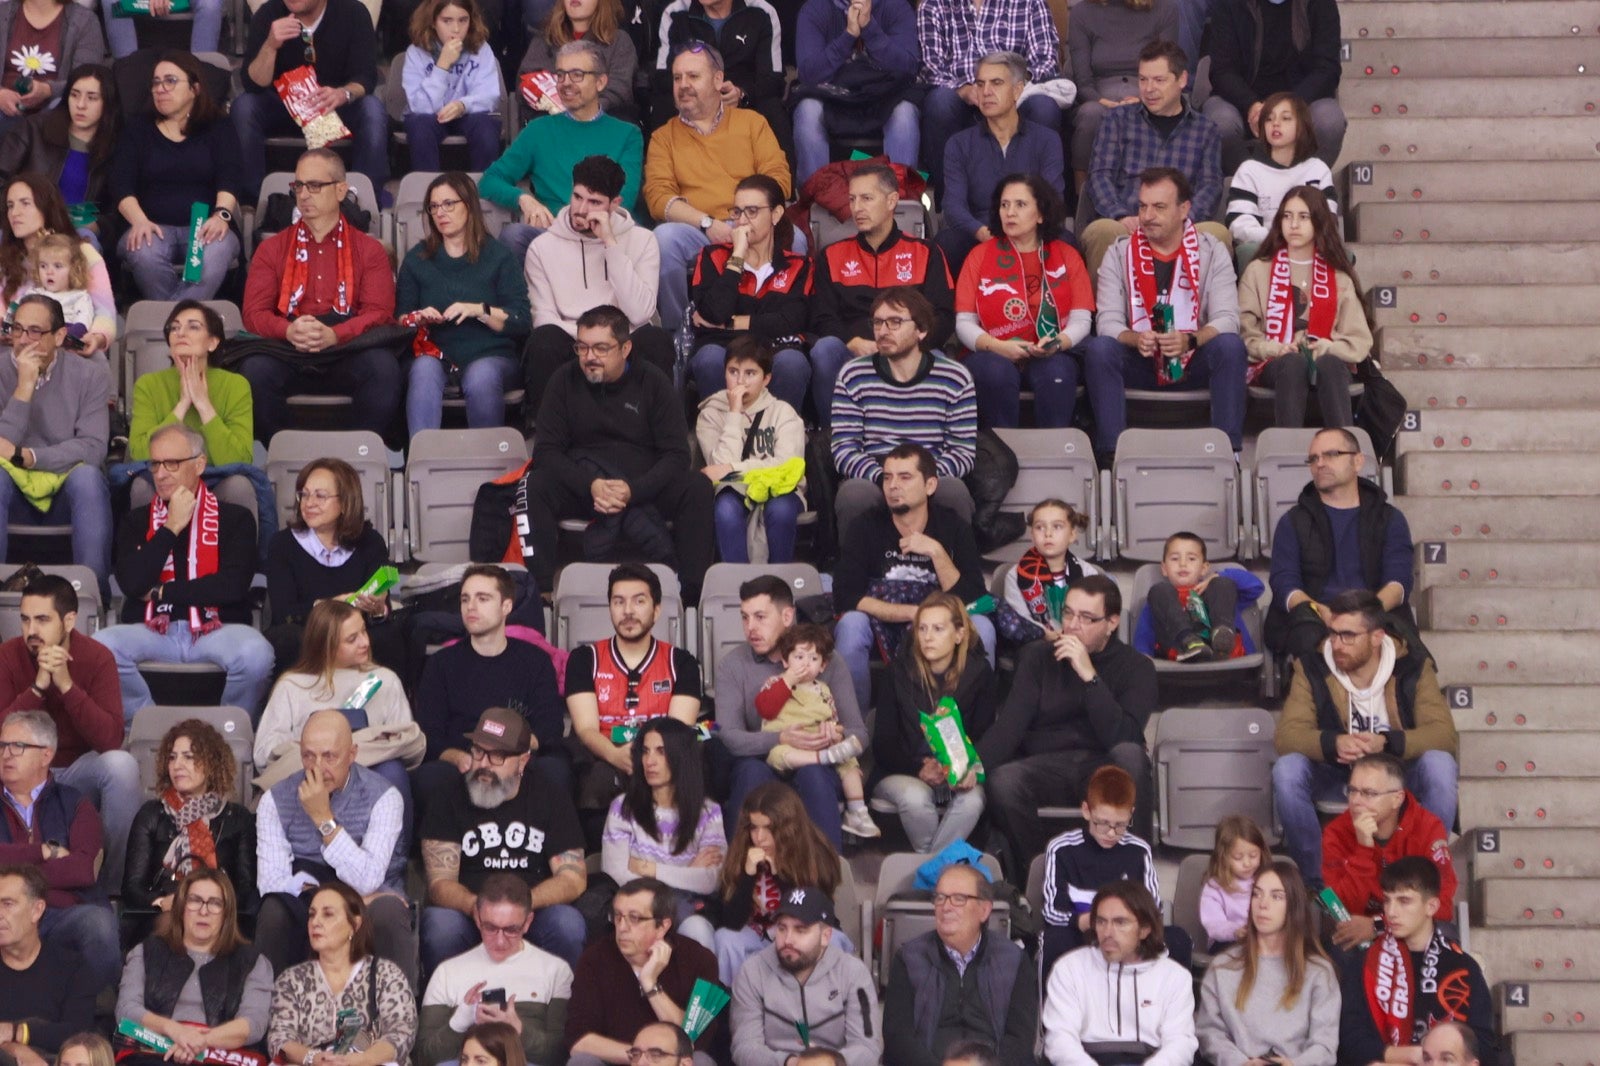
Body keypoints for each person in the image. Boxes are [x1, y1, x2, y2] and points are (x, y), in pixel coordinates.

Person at [523, 305, 716, 598]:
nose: (589, 357)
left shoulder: (652, 381)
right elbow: (547, 452)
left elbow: (677, 455)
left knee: (697, 487)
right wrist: (591, 485)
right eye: (582, 347)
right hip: (586, 487)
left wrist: (633, 491)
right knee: (534, 484)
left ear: (625, 348)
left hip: (642, 486)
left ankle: (692, 597)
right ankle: (541, 594)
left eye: (601, 348)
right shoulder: (563, 380)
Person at [1274, 590, 1459, 885]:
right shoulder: (1311, 666)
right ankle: (1318, 884)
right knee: (1287, 770)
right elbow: (1287, 736)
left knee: (1440, 765)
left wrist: (1386, 742)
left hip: (1396, 778)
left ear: (1376, 637)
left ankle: (1420, 880)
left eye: (1348, 636)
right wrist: (1333, 742)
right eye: (1333, 633)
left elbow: (1443, 734)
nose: (1336, 644)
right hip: (1338, 775)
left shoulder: (1412, 666)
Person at [96, 424, 274, 724]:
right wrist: (171, 528)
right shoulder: (136, 520)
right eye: (155, 464)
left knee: (257, 653)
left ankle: (226, 730)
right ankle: (149, 723)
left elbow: (231, 587)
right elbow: (132, 583)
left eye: (172, 463)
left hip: (218, 628)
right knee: (101, 647)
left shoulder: (236, 518)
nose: (160, 473)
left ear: (199, 464)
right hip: (152, 629)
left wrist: (162, 591)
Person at [978, 576, 1157, 869]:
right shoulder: (1037, 657)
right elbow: (1008, 728)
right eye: (1068, 613)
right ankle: (1039, 872)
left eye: (1086, 618)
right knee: (1003, 780)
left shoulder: (1137, 667)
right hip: (1046, 764)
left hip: (1102, 764)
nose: (1073, 625)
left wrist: (1090, 677)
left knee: (1132, 756)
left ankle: (1135, 872)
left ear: (1112, 623)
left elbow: (1124, 736)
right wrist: (971, 767)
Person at [1083, 165, 1248, 460]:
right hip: (1141, 360)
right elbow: (1107, 321)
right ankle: (1111, 456)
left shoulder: (1212, 251)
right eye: (1142, 206)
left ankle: (1229, 455)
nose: (1147, 216)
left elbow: (1227, 318)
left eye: (1159, 207)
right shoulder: (1119, 252)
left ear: (1184, 209)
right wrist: (1136, 339)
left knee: (1230, 346)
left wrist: (1191, 340)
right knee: (1100, 349)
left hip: (1192, 360)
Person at [237, 149, 400, 445]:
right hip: (289, 345)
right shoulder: (272, 249)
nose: (303, 195)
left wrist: (335, 335)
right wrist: (288, 330)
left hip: (347, 346)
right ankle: (288, 452)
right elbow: (253, 314)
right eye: (298, 186)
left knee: (384, 369)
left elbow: (379, 313)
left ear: (340, 190)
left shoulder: (369, 250)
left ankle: (355, 454)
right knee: (253, 372)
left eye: (314, 186)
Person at [419, 706, 589, 973]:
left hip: (532, 911)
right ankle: (446, 1001)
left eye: (497, 756)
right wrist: (476, 907)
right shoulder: (448, 796)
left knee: (567, 924)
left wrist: (521, 905)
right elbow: (440, 883)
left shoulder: (550, 796)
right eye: (478, 751)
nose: (484, 765)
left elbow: (573, 879)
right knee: (442, 926)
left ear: (523, 761)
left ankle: (561, 1001)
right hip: (470, 913)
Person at [0, 574, 138, 895]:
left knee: (122, 766)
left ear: (70, 621)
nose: (31, 631)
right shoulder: (8, 655)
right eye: (25, 620)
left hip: (75, 773)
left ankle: (112, 891)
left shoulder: (97, 657)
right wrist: (38, 688)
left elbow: (110, 739)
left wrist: (66, 686)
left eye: (42, 620)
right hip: (18, 769)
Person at [832, 443, 991, 716]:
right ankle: (852, 725)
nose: (893, 486)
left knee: (983, 626)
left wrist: (936, 552)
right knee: (851, 624)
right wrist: (914, 613)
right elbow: (846, 595)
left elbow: (973, 597)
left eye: (905, 477)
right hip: (882, 620)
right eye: (887, 477)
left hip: (940, 621)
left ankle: (968, 724)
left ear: (930, 485)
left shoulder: (953, 526)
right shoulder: (865, 526)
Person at [643, 42, 790, 332]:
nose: (683, 85)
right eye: (677, 78)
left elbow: (779, 180)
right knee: (664, 239)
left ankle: (774, 329)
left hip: (753, 225)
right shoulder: (663, 137)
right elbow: (658, 198)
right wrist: (708, 223)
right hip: (699, 231)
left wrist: (747, 220)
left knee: (794, 242)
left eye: (693, 76)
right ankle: (679, 333)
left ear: (718, 79)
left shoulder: (752, 123)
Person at [712, 576, 868, 849]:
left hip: (818, 762)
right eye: (745, 617)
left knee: (813, 773)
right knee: (751, 772)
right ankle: (740, 869)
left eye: (760, 617)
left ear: (787, 616)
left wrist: (836, 735)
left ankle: (825, 870)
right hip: (760, 761)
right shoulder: (733, 665)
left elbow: (859, 733)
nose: (751, 628)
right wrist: (780, 738)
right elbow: (730, 737)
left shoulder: (826, 661)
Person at [254, 711, 413, 980]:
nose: (317, 768)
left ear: (352, 754)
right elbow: (271, 883)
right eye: (308, 756)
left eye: (329, 757)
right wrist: (332, 901)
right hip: (309, 900)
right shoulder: (275, 800)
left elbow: (368, 879)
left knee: (388, 911)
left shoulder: (384, 797)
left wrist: (323, 818)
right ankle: (270, 1004)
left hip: (369, 901)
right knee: (273, 911)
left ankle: (396, 1006)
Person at [521, 155, 671, 411]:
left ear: (614, 204)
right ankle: (548, 431)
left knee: (655, 340)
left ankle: (649, 430)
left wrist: (611, 245)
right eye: (577, 197)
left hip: (622, 340)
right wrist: (589, 345)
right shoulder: (541, 247)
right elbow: (543, 319)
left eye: (594, 202)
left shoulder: (643, 240)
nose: (581, 209)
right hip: (571, 342)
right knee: (543, 342)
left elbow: (640, 313)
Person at [810, 166, 956, 427]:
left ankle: (922, 441)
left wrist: (907, 345)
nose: (857, 208)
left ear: (892, 201)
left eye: (867, 198)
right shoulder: (831, 255)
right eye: (852, 199)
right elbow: (822, 316)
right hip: (852, 350)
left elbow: (943, 316)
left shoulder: (926, 252)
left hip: (912, 350)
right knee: (825, 349)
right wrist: (852, 341)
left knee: (942, 362)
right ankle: (833, 436)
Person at [412, 564, 566, 804]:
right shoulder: (441, 663)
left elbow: (549, 728)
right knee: (430, 777)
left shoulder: (535, 661)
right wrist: (459, 758)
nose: (471, 606)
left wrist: (506, 757)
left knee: (555, 771)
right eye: (465, 599)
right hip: (464, 760)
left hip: (516, 757)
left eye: (482, 599)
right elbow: (429, 733)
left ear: (506, 606)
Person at [829, 288, 976, 531]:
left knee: (953, 491)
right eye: (878, 322)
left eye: (895, 322)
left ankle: (952, 557)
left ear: (921, 330)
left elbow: (962, 451)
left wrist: (920, 480)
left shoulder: (954, 377)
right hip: (874, 472)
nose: (883, 331)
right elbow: (844, 449)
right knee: (854, 495)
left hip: (931, 470)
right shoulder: (853, 374)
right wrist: (886, 479)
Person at [398, 171, 531, 435]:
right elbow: (400, 319)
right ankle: (422, 455)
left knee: (482, 375)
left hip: (492, 355)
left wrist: (478, 310)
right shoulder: (417, 259)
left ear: (469, 206)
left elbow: (521, 321)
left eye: (449, 204)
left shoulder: (499, 257)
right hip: (436, 353)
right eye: (434, 206)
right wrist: (418, 317)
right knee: (423, 369)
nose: (440, 213)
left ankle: (487, 455)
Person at [955, 173, 1093, 429]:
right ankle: (1001, 450)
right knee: (995, 373)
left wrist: (1057, 343)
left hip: (1051, 352)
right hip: (991, 352)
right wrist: (996, 346)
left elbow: (1082, 319)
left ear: (1040, 214)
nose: (1010, 213)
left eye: (1020, 204)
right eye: (1004, 205)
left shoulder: (1067, 255)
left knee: (1057, 374)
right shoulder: (979, 255)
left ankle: (1054, 449)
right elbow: (963, 323)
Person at [488, 40, 643, 265]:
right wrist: (524, 199)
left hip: (605, 232)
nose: (566, 83)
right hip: (554, 233)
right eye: (560, 75)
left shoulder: (627, 133)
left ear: (600, 82)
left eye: (577, 75)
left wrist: (586, 220)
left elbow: (625, 197)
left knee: (642, 238)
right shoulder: (538, 130)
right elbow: (491, 179)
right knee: (514, 235)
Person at [1080, 41, 1226, 280]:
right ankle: (1105, 306)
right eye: (1143, 80)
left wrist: (1182, 222)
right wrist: (1120, 216)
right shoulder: (1117, 120)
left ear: (1182, 79)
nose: (1148, 89)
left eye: (1159, 80)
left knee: (1217, 234)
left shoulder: (1205, 129)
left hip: (1180, 225)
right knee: (1102, 230)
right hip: (1125, 222)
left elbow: (1210, 186)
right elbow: (1100, 176)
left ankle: (1195, 305)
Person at [255, 601, 423, 805]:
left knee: (393, 771)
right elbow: (264, 755)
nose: (365, 642)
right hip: (310, 780)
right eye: (352, 639)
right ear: (326, 646)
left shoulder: (385, 680)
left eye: (364, 631)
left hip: (371, 781)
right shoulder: (292, 686)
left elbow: (405, 743)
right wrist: (317, 750)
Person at [1266, 426, 1414, 657]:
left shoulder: (1389, 519)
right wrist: (1321, 612)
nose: (1320, 463)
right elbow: (1285, 584)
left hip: (1376, 613)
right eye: (1313, 458)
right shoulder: (1293, 521)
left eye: (1331, 454)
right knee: (1308, 643)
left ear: (1358, 461)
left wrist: (1363, 617)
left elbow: (1398, 582)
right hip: (1315, 617)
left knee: (1410, 654)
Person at [566, 564, 701, 818]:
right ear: (610, 608)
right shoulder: (584, 659)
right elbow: (586, 729)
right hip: (605, 755)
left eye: (639, 601)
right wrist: (615, 755)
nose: (628, 611)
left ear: (656, 610)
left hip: (662, 757)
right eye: (619, 602)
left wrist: (648, 757)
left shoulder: (682, 663)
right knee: (594, 777)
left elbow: (676, 732)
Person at [1338, 858, 1499, 1066]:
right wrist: (1409, 1056)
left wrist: (1438, 1058)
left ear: (1431, 906)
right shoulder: (1364, 965)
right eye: (1387, 900)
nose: (1391, 912)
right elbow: (1350, 1041)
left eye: (1404, 901)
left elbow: (1483, 1045)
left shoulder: (1463, 967)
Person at [0, 710, 119, 990]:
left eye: (18, 746)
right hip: (4, 910)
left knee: (98, 924)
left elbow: (82, 870)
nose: (6, 754)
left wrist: (12, 870)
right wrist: (43, 852)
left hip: (62, 914)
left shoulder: (75, 804)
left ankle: (86, 1013)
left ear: (46, 755)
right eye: (2, 746)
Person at [872, 592, 997, 854]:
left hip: (958, 772)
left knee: (973, 801)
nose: (927, 637)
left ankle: (929, 869)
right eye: (922, 628)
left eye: (938, 629)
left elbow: (983, 736)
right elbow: (884, 745)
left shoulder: (980, 673)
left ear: (959, 634)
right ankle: (940, 869)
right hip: (903, 771)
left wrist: (961, 768)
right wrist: (919, 768)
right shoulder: (897, 672)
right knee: (915, 798)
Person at [0, 293, 111, 588]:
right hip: (12, 491)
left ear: (59, 336)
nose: (23, 340)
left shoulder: (90, 375)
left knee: (88, 478)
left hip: (65, 489)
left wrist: (29, 457)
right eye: (17, 329)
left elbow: (93, 447)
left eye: (35, 331)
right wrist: (23, 389)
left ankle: (92, 597)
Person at [112, 51, 241, 302]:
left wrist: (221, 215)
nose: (160, 89)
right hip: (151, 226)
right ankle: (187, 320)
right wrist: (139, 221)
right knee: (144, 253)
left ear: (195, 88)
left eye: (170, 81)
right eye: (156, 82)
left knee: (215, 254)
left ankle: (169, 320)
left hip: (205, 226)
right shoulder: (138, 128)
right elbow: (121, 183)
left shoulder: (218, 126)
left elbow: (230, 175)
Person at [1239, 185, 1372, 428]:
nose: (1293, 225)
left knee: (1330, 363)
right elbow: (1245, 335)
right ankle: (1287, 447)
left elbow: (1359, 339)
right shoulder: (1258, 271)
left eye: (1303, 217)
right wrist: (1275, 349)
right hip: (1275, 361)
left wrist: (1329, 346)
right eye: (1287, 216)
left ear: (1319, 222)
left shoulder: (1338, 277)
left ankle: (1342, 445)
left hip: (1326, 359)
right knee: (1293, 363)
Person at [1038, 764, 1187, 981]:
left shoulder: (1138, 850)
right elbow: (1052, 910)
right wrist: (1087, 921)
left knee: (1178, 939)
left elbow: (1151, 908)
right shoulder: (1062, 848)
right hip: (1081, 930)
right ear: (1086, 811)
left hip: (1128, 933)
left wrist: (1125, 928)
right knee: (1053, 940)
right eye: (1103, 824)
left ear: (1131, 814)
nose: (1111, 833)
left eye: (1121, 825)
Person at [883, 863, 1037, 1066]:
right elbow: (898, 1038)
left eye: (958, 899)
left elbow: (1020, 1039)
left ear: (984, 910)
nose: (946, 907)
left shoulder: (1013, 960)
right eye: (940, 898)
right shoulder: (909, 958)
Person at [234, 0, 386, 204]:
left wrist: (344, 93)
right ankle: (252, 203)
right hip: (284, 108)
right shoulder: (269, 13)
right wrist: (270, 45)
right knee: (244, 107)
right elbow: (253, 84)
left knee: (372, 109)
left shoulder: (353, 12)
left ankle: (361, 203)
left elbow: (366, 76)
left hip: (334, 105)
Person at [115, 868, 273, 1064]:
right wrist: (175, 1031)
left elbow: (254, 1023)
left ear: (227, 913)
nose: (203, 911)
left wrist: (202, 1041)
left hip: (220, 1056)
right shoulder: (146, 951)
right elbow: (126, 1009)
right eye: (195, 900)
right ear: (181, 908)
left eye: (215, 903)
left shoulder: (253, 962)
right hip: (153, 1054)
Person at [418, 873, 573, 1066]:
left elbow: (561, 1056)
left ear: (527, 922)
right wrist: (459, 1022)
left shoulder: (556, 971)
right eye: (490, 928)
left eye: (511, 930)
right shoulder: (447, 972)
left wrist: (518, 1029)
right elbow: (424, 1057)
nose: (499, 941)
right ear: (477, 918)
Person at [1196, 859, 1341, 1066]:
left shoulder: (1319, 972)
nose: (1263, 904)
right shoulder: (1223, 967)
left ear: (1294, 906)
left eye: (1276, 896)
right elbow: (1210, 1033)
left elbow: (1324, 1045)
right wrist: (1240, 1063)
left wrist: (1295, 1064)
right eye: (1257, 894)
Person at [264, 459, 401, 675]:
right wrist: (329, 607)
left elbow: (381, 607)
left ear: (345, 503)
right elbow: (284, 613)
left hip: (356, 629)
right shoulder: (282, 544)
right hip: (305, 631)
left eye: (320, 496)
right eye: (304, 495)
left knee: (389, 636)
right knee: (287, 639)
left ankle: (376, 695)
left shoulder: (371, 541)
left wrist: (378, 609)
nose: (309, 503)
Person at [687, 174, 812, 410]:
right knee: (709, 358)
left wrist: (729, 323)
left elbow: (790, 321)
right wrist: (737, 256)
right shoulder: (713, 256)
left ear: (776, 214)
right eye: (737, 212)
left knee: (792, 362)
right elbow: (714, 312)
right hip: (722, 348)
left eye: (752, 211)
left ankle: (779, 432)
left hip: (776, 349)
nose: (742, 221)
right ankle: (719, 430)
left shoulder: (799, 265)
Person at [566, 877, 722, 1066]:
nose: (622, 927)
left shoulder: (701, 960)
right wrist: (641, 1057)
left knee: (701, 1062)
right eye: (617, 916)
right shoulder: (594, 959)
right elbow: (579, 1041)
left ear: (663, 926)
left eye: (634, 918)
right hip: (618, 1063)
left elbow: (695, 1041)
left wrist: (651, 984)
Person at [122, 719, 257, 937]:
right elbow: (132, 888)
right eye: (172, 757)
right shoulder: (151, 814)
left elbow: (246, 890)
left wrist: (208, 903)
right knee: (171, 925)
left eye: (188, 757)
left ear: (211, 763)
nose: (177, 765)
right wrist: (162, 901)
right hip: (162, 916)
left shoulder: (238, 818)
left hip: (218, 916)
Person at [914, 0, 1061, 197]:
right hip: (961, 98)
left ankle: (1037, 201)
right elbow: (930, 69)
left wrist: (1008, 88)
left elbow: (1046, 61)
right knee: (940, 103)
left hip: (1016, 96)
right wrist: (963, 90)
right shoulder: (934, 5)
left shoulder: (1030, 3)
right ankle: (951, 201)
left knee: (1044, 108)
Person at [1040, 880, 1197, 1064]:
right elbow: (1059, 1039)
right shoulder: (1069, 968)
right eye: (1101, 922)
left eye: (1120, 922)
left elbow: (1180, 1043)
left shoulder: (1174, 976)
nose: (1107, 932)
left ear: (1145, 929)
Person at [602, 718, 725, 950]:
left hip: (688, 912)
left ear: (681, 757)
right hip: (637, 913)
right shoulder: (623, 808)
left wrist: (649, 869)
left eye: (661, 751)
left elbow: (712, 879)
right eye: (645, 751)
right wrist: (686, 874)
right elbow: (616, 875)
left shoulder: (709, 812)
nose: (650, 761)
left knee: (697, 929)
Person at [937, 54, 1067, 272]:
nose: (986, 91)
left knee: (1066, 243)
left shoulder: (1046, 140)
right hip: (981, 231)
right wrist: (981, 232)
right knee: (947, 244)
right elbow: (953, 205)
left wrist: (1024, 232)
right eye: (980, 84)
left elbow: (1053, 198)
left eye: (996, 83)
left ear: (1017, 90)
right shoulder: (959, 144)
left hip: (1032, 231)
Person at [1321, 753, 1458, 957]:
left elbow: (1442, 906)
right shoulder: (1336, 832)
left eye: (1368, 793)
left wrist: (1379, 925)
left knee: (1443, 935)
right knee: (1340, 939)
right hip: (1359, 931)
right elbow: (1337, 907)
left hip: (1408, 930)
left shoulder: (1427, 828)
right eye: (1352, 791)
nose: (1356, 801)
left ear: (1397, 798)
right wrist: (1364, 850)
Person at [266, 882, 417, 1066]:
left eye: (328, 914)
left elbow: (402, 1032)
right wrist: (314, 1058)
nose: (315, 922)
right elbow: (279, 1039)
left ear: (355, 924)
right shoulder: (291, 980)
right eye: (312, 915)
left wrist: (361, 1060)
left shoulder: (386, 974)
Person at [730, 885, 880, 1066]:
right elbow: (744, 1047)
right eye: (782, 928)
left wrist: (827, 1063)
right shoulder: (752, 972)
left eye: (800, 930)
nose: (787, 940)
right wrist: (791, 1063)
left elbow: (867, 1047)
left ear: (825, 936)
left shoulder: (854, 973)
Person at [756, 624, 878, 839]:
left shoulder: (823, 689)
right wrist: (788, 680)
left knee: (849, 761)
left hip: (821, 742)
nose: (806, 664)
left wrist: (835, 733)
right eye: (799, 657)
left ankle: (857, 811)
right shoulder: (775, 683)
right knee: (779, 754)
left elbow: (833, 717)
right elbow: (765, 708)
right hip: (786, 742)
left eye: (813, 659)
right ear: (785, 661)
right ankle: (823, 759)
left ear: (823, 666)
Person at [714, 782, 843, 985]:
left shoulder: (814, 852)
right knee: (725, 938)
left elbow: (813, 913)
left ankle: (816, 1002)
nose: (759, 838)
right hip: (758, 936)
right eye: (754, 828)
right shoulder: (742, 852)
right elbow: (731, 922)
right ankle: (737, 1003)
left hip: (803, 933)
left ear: (788, 828)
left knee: (832, 939)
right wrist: (747, 876)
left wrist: (779, 874)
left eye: (769, 828)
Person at [695, 336, 807, 564]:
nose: (740, 381)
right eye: (733, 372)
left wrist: (732, 469)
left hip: (779, 489)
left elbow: (786, 466)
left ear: (766, 379)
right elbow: (719, 471)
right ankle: (738, 582)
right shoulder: (710, 414)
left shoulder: (783, 412)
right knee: (725, 508)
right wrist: (734, 414)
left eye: (750, 373)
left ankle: (778, 581)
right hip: (733, 491)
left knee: (781, 510)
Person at [1203, 0, 1344, 172]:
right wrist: (1251, 105)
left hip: (1302, 102)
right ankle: (1244, 181)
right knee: (1221, 122)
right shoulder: (1229, 4)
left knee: (1329, 120)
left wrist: (1289, 106)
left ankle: (1307, 182)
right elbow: (1222, 70)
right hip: (1242, 103)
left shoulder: (1320, 3)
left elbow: (1328, 69)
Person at [792, 0, 921, 184]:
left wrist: (869, 27)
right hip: (831, 96)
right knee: (807, 110)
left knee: (905, 113)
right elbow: (808, 75)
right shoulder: (815, 8)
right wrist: (848, 36)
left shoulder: (896, 6)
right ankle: (816, 194)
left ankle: (899, 196)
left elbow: (908, 68)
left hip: (884, 96)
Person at [0, 64, 118, 247]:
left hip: (76, 229)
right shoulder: (34, 128)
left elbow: (117, 208)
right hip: (25, 223)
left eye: (92, 98)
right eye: (74, 95)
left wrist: (98, 225)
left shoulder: (116, 146)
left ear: (107, 103)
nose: (80, 105)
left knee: (87, 244)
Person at [1067, 0, 1179, 190]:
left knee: (1154, 110)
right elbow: (1083, 81)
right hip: (1098, 96)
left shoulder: (1165, 9)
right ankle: (1081, 196)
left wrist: (1144, 99)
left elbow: (1166, 70)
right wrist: (1104, 102)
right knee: (1090, 114)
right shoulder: (1082, 12)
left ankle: (1155, 193)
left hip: (1149, 90)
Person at [647, 0, 788, 151]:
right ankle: (659, 161)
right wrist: (700, 90)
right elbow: (663, 76)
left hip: (742, 101)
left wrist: (742, 94)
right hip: (691, 97)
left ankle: (779, 166)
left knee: (772, 107)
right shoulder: (676, 12)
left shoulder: (762, 12)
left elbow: (773, 79)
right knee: (663, 104)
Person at [128, 301, 254, 467]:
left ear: (212, 342)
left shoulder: (235, 385)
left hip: (218, 477)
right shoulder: (148, 385)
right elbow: (139, 454)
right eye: (174, 328)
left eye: (193, 327)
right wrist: (182, 405)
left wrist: (203, 405)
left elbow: (240, 461)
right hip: (164, 475)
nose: (180, 333)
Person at [0, 175, 114, 355]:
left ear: (46, 207)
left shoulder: (83, 253)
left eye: (25, 203)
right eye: (10, 206)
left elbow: (105, 311)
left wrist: (97, 337)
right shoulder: (4, 257)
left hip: (70, 351)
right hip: (13, 350)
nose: (15, 213)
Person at [0, 863, 98, 1063]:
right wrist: (17, 1051)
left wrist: (16, 1031)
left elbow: (78, 1035)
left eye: (7, 904)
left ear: (37, 910)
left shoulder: (73, 967)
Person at [1225, 94, 1338, 263]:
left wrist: (1299, 240)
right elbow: (1240, 224)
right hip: (1264, 250)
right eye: (1269, 119)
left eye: (1285, 118)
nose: (1275, 124)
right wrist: (1280, 239)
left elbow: (1328, 220)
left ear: (1301, 126)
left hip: (1310, 249)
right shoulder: (1249, 170)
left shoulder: (1317, 169)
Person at [401, 0, 502, 172]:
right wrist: (442, 66)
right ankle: (427, 186)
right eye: (447, 21)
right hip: (429, 116)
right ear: (433, 22)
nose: (456, 29)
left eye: (463, 20)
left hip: (467, 113)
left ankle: (484, 186)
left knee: (486, 128)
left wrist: (463, 105)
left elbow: (489, 95)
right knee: (420, 126)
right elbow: (420, 106)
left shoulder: (481, 49)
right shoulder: (416, 52)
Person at [1138, 529, 1255, 662]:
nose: (1183, 564)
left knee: (1222, 583)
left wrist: (1219, 575)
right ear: (1164, 568)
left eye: (1191, 559)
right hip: (1180, 655)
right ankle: (1189, 641)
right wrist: (1143, 656)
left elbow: (1255, 587)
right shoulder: (1160, 597)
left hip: (1226, 656)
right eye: (1175, 559)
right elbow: (1144, 633)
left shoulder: (1217, 592)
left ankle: (1222, 635)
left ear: (1204, 568)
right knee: (1158, 591)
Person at [996, 500, 1101, 645]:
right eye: (1040, 527)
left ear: (1072, 534)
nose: (1048, 534)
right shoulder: (1016, 575)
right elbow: (1020, 618)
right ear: (1032, 535)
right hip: (1035, 643)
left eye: (1057, 526)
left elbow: (1092, 617)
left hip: (1079, 642)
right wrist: (1044, 633)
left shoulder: (1088, 573)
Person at [0, 0, 105, 140]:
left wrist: (48, 90)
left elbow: (87, 79)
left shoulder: (85, 21)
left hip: (55, 108)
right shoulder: (3, 13)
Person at [517, 0, 636, 118]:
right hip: (550, 124)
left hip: (601, 124)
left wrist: (583, 113)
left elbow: (619, 91)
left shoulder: (619, 41)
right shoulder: (545, 38)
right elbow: (524, 84)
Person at [1199, 813, 1268, 950]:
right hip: (1227, 942)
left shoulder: (1268, 879)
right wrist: (1235, 931)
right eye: (1238, 857)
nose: (1247, 863)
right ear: (1223, 857)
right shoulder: (1214, 887)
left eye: (1253, 856)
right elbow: (1214, 924)